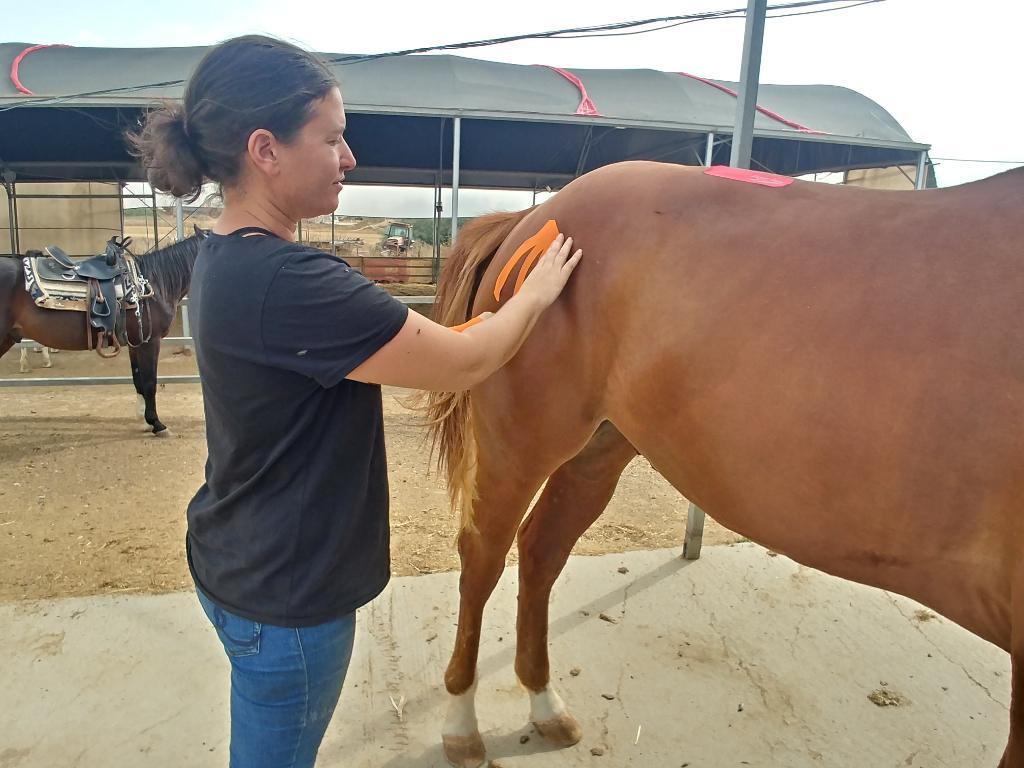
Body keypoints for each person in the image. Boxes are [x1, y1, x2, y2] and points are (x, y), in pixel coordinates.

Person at [128, 34, 582, 768]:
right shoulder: (296, 284)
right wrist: (532, 297)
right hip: (290, 604)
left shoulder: (220, 257)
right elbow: (464, 362)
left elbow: (423, 343)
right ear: (265, 151)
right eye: (333, 137)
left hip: (237, 558)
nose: (350, 157)